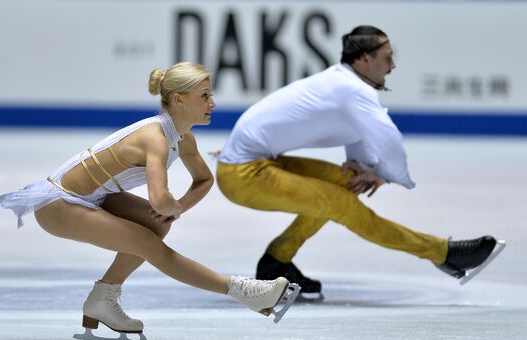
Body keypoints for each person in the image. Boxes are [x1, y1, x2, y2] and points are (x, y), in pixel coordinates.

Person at [0, 62, 300, 340]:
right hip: (58, 205)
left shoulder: (183, 138)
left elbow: (202, 181)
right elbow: (159, 199)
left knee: (154, 225)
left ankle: (102, 298)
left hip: (95, 196)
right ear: (179, 100)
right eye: (204, 95)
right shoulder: (155, 138)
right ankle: (246, 292)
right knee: (149, 242)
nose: (213, 103)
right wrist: (171, 207)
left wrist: (176, 208)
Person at [215, 26, 505, 300]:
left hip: (257, 164)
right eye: (388, 57)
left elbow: (357, 131)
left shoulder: (344, 83)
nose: (393, 65)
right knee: (344, 205)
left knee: (343, 184)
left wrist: (362, 166)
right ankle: (442, 253)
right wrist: (385, 174)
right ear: (366, 59)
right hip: (244, 175)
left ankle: (276, 262)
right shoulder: (354, 90)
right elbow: (390, 142)